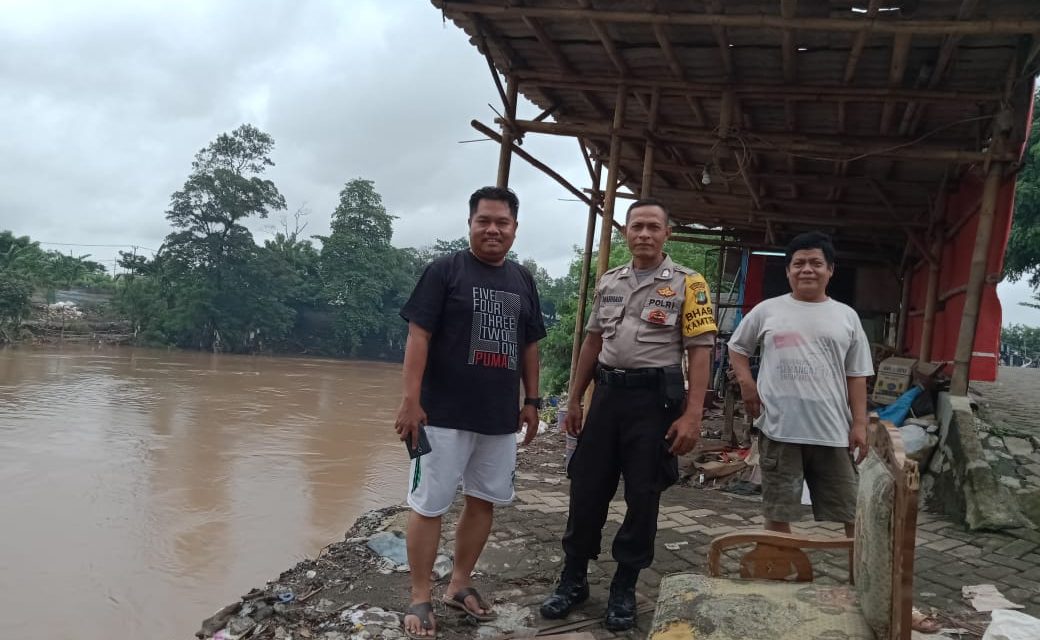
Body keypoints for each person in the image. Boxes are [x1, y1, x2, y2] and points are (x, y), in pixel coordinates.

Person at [540, 199, 717, 631]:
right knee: (586, 488)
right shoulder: (610, 282)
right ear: (625, 232)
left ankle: (624, 584)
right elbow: (592, 343)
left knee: (643, 496)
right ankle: (573, 578)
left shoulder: (689, 284)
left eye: (653, 227)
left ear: (667, 233)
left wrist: (693, 415)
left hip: (654, 406)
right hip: (607, 400)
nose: (644, 234)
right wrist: (575, 399)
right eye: (636, 226)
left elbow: (700, 351)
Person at [395, 186, 546, 639]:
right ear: (470, 224)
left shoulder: (523, 280)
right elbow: (418, 337)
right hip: (440, 415)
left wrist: (532, 402)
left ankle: (459, 585)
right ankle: (420, 596)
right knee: (429, 505)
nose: (493, 229)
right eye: (485, 221)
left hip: (498, 418)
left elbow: (530, 344)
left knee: (483, 502)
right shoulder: (445, 271)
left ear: (515, 229)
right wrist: (410, 400)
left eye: (502, 222)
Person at [727, 231, 873, 539]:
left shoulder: (846, 317)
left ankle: (858, 577)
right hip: (780, 430)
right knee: (779, 512)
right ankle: (780, 573)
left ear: (830, 270)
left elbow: (857, 375)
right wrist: (746, 384)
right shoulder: (768, 310)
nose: (807, 269)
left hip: (832, 431)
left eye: (816, 263)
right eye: (799, 263)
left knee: (851, 513)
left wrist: (859, 423)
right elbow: (737, 347)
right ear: (788, 271)